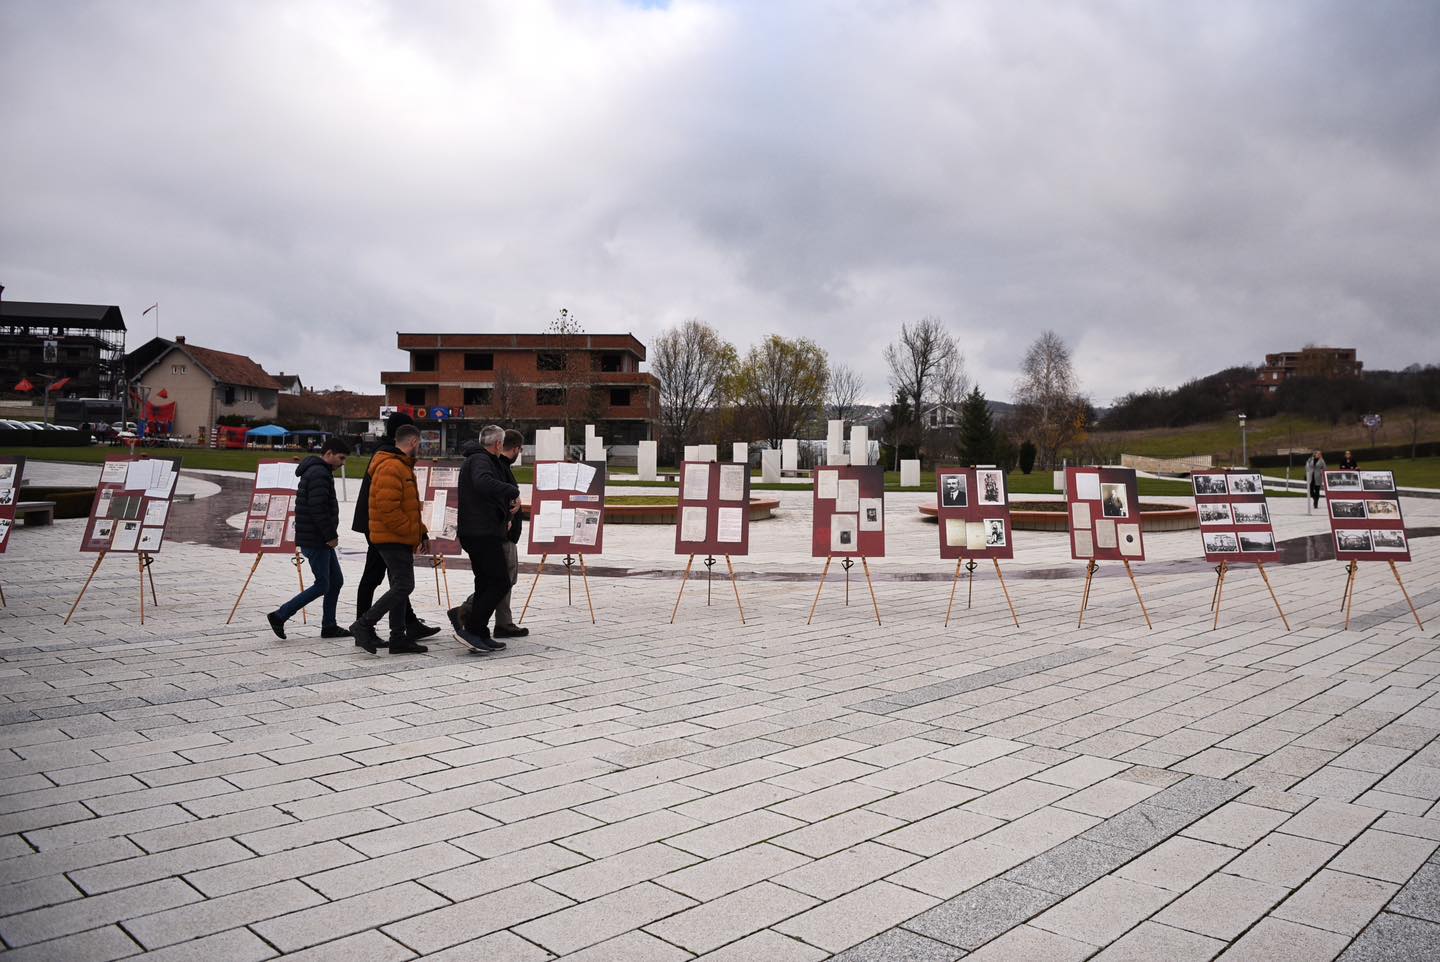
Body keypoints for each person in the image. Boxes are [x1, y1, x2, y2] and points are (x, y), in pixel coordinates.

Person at [352, 412, 440, 647]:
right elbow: (388, 508)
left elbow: (409, 506)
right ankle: (364, 624)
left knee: (398, 583)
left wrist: (420, 532)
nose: (420, 446)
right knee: (400, 584)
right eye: (419, 441)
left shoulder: (400, 463)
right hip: (389, 535)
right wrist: (410, 532)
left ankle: (399, 634)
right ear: (410, 441)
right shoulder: (390, 464)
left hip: (391, 533)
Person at [450, 428, 530, 647]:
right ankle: (473, 629)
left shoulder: (479, 459)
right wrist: (511, 491)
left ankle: (480, 631)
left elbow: (485, 494)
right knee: (500, 581)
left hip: (479, 530)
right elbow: (483, 483)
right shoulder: (480, 461)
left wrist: (505, 510)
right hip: (482, 532)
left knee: (486, 582)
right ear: (497, 445)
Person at [267, 439, 352, 639]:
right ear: (329, 453)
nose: (342, 463)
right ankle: (280, 615)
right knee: (323, 583)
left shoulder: (318, 471)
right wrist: (330, 535)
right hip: (316, 539)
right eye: (341, 458)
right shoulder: (319, 473)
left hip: (316, 537)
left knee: (336, 581)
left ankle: (329, 625)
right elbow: (318, 509)